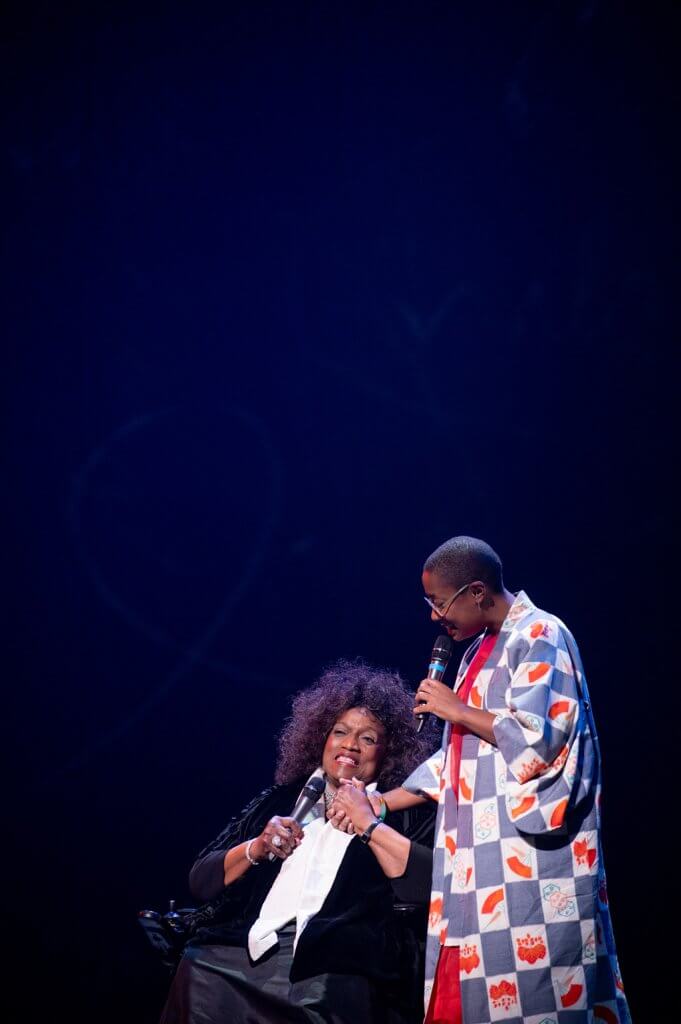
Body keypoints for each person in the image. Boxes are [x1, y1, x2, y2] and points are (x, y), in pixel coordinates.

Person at [332, 536, 631, 1023]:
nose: (434, 616)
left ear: (476, 591)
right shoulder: (475, 652)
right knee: (466, 996)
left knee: (535, 997)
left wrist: (457, 709)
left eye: (439, 602)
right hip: (471, 862)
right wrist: (382, 803)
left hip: (524, 863)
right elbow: (458, 760)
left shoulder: (541, 633)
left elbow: (540, 740)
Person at [159, 659, 436, 1024]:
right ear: (321, 738)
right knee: (196, 968)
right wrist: (256, 847)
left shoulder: (402, 813)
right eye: (340, 732)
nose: (350, 745)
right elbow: (200, 881)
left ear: (388, 752)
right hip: (242, 954)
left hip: (334, 964)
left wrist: (368, 824)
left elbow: (431, 885)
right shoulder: (279, 800)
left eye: (368, 739)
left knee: (330, 995)